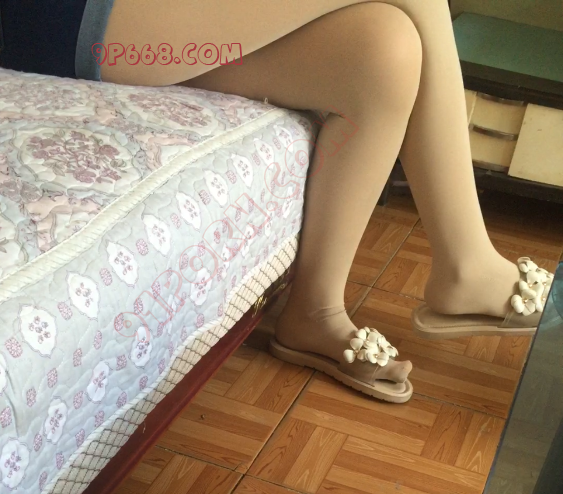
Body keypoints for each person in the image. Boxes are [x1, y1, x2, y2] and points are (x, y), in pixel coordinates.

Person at [0, 0, 553, 404]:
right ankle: (465, 263)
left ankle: (315, 308)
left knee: (384, 52)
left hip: (136, 21)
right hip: (68, 18)